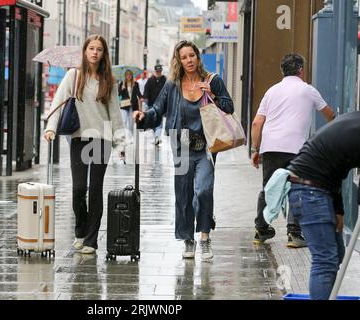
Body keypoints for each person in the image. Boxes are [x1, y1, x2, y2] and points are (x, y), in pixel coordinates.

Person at [134, 40, 234, 261]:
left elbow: (229, 107)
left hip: (206, 145)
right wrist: (143, 117)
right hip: (182, 144)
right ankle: (188, 239)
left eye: (192, 55)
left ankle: (205, 237)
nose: (189, 60)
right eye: (184, 57)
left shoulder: (212, 80)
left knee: (204, 191)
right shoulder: (173, 85)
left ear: (198, 57)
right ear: (179, 60)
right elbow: (158, 109)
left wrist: (214, 96)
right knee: (183, 193)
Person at [44, 34, 125, 254]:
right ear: (85, 51)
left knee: (95, 188)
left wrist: (122, 143)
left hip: (102, 139)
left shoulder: (109, 81)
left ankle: (91, 240)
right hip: (79, 138)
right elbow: (58, 103)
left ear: (103, 53)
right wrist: (51, 127)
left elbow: (115, 114)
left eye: (99, 49)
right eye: (91, 48)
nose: (95, 53)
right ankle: (80, 230)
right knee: (79, 188)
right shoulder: (73, 75)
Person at [250, 53, 335, 247]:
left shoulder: (271, 91)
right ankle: (294, 234)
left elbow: (257, 123)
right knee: (297, 188)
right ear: (301, 70)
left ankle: (261, 230)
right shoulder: (308, 90)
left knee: (269, 189)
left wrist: (256, 149)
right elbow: (330, 115)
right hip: (296, 148)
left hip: (271, 148)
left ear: (282, 70)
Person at [284, 111, 360, 299]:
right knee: (325, 260)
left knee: (336, 254)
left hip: (317, 190)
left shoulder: (353, 121)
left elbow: (335, 167)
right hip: (309, 192)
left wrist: (339, 211)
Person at [144, 64, 167, 145]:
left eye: (160, 71)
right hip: (151, 105)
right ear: (155, 71)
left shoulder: (165, 80)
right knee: (152, 122)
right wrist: (146, 101)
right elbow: (146, 91)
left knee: (159, 123)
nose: (158, 73)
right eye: (157, 71)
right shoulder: (150, 80)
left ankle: (157, 137)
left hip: (160, 105)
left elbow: (167, 92)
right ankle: (155, 136)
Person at [118, 69, 142, 143]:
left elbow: (138, 93)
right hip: (124, 105)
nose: (128, 76)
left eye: (130, 75)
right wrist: (122, 89)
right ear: (125, 76)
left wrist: (142, 97)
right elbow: (119, 94)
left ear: (132, 76)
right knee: (124, 121)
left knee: (131, 122)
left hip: (132, 105)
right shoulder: (122, 83)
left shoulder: (135, 84)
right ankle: (125, 136)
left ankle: (131, 137)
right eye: (127, 75)